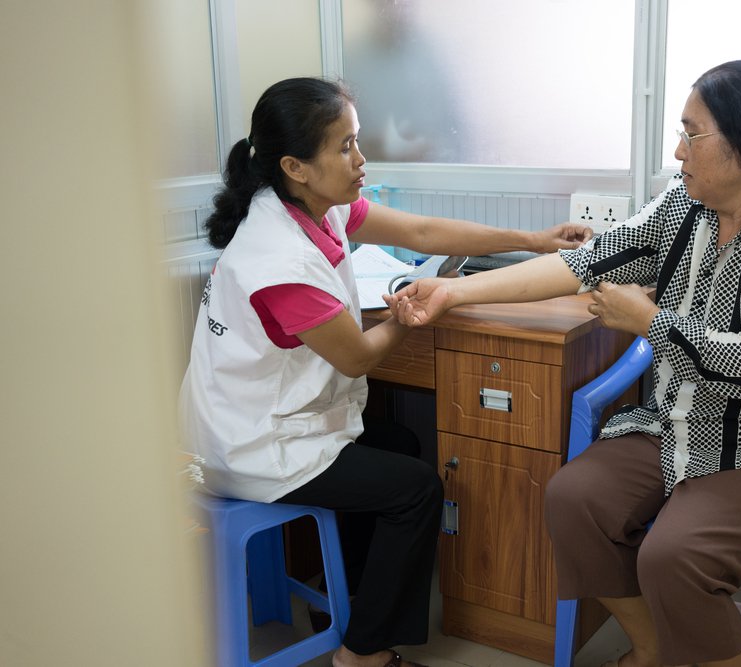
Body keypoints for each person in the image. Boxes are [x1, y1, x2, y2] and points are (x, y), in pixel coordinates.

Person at [387, 60, 741, 667]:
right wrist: (456, 292)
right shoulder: (685, 208)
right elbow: (587, 263)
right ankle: (652, 649)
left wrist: (648, 322)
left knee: (673, 557)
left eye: (692, 133)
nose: (678, 152)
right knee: (573, 498)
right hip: (677, 424)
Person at [177, 76, 592, 667]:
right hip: (250, 446)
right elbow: (358, 356)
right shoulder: (281, 258)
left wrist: (531, 239)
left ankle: (342, 608)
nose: (360, 158)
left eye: (356, 140)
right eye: (344, 146)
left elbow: (419, 232)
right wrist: (414, 309)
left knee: (397, 441)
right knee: (415, 489)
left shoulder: (308, 208)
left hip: (255, 420)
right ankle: (364, 653)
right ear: (296, 165)